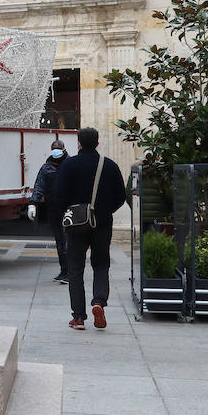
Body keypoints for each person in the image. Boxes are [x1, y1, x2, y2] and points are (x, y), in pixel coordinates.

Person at [50, 127, 127, 330]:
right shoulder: (110, 166)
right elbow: (121, 196)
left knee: (75, 268)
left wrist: (68, 213)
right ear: (98, 143)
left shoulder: (69, 165)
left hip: (76, 225)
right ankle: (98, 302)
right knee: (101, 264)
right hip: (102, 224)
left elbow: (57, 195)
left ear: (78, 143)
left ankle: (78, 318)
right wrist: (103, 210)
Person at [30, 139, 70, 284]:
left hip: (68, 209)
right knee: (60, 241)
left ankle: (69, 272)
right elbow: (39, 186)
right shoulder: (46, 168)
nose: (56, 151)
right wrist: (33, 203)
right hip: (53, 209)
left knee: (67, 241)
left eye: (58, 148)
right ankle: (64, 271)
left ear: (64, 149)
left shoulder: (70, 165)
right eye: (53, 148)